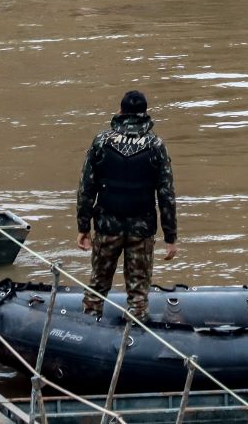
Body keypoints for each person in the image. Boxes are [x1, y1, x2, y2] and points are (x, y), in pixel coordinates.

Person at [76, 89, 177, 323]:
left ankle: (89, 328)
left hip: (107, 226)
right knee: (138, 293)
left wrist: (83, 227)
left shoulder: (101, 142)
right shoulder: (156, 146)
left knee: (97, 286)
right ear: (145, 113)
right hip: (141, 231)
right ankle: (135, 336)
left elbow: (86, 188)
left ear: (120, 111)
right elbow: (166, 195)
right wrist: (170, 237)